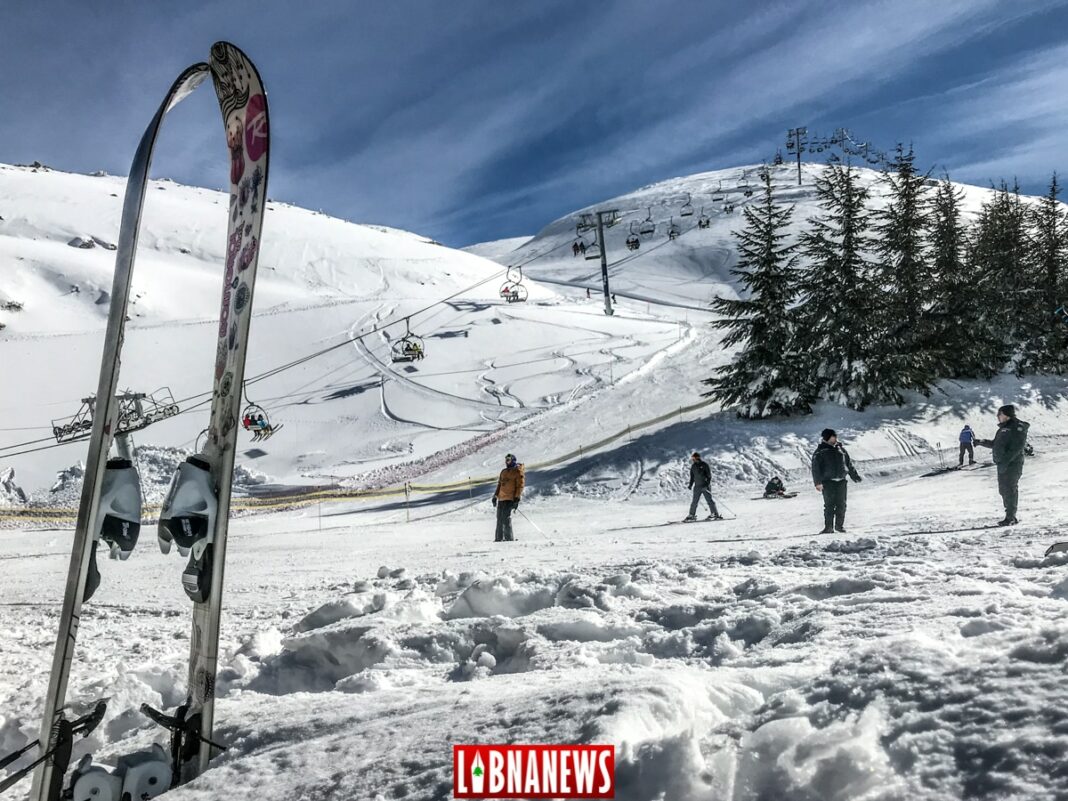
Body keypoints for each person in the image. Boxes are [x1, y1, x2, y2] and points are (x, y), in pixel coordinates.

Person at [975, 404, 1029, 526]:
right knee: (1003, 490)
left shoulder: (1016, 427)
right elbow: (995, 444)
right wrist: (981, 442)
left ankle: (1011, 517)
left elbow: (1017, 448)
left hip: (1012, 465)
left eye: (999, 414)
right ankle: (1009, 516)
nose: (997, 416)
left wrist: (1005, 462)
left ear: (1005, 415)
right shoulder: (1003, 429)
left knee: (1010, 489)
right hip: (1003, 465)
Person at [811, 429, 862, 534]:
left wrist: (854, 476)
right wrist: (817, 482)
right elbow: (815, 468)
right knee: (829, 505)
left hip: (841, 482)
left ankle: (839, 526)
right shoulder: (820, 451)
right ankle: (828, 527)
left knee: (841, 504)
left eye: (835, 437)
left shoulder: (841, 449)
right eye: (832, 437)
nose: (835, 439)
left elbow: (848, 464)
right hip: (828, 482)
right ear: (827, 438)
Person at [491, 453, 524, 542]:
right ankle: (499, 538)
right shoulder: (504, 472)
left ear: (513, 460)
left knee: (506, 518)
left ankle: (509, 538)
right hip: (501, 498)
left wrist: (517, 498)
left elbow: (519, 486)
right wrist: (495, 496)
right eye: (506, 459)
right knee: (499, 519)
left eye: (508, 459)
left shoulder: (517, 471)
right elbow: (499, 485)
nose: (507, 461)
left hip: (510, 498)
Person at [684, 452, 720, 521]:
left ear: (697, 458)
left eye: (693, 458)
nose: (692, 459)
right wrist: (690, 485)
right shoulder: (693, 466)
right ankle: (692, 515)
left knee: (709, 500)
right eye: (692, 458)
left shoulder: (704, 465)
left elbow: (709, 476)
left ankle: (715, 514)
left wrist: (706, 485)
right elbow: (692, 477)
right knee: (694, 502)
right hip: (697, 487)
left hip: (704, 486)